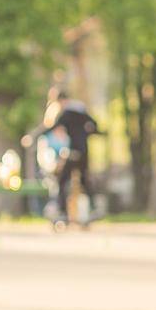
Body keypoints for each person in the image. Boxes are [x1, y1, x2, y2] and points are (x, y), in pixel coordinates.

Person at [44, 92, 99, 227]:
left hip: (72, 152)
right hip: (84, 151)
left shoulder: (67, 113)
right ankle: (93, 206)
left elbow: (52, 127)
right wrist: (87, 133)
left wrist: (33, 137)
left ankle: (63, 211)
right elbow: (94, 125)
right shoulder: (81, 111)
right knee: (83, 179)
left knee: (62, 180)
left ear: (61, 101)